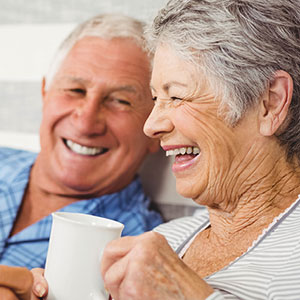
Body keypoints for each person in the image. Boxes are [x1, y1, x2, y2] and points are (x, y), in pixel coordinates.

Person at [99, 0, 300, 299]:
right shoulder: (160, 243)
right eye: (156, 99)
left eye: (176, 96)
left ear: (270, 103)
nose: (151, 126)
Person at [0, 13, 162, 270]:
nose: (86, 123)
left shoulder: (138, 256)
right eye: (75, 91)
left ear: (155, 126)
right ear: (45, 94)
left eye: (121, 100)